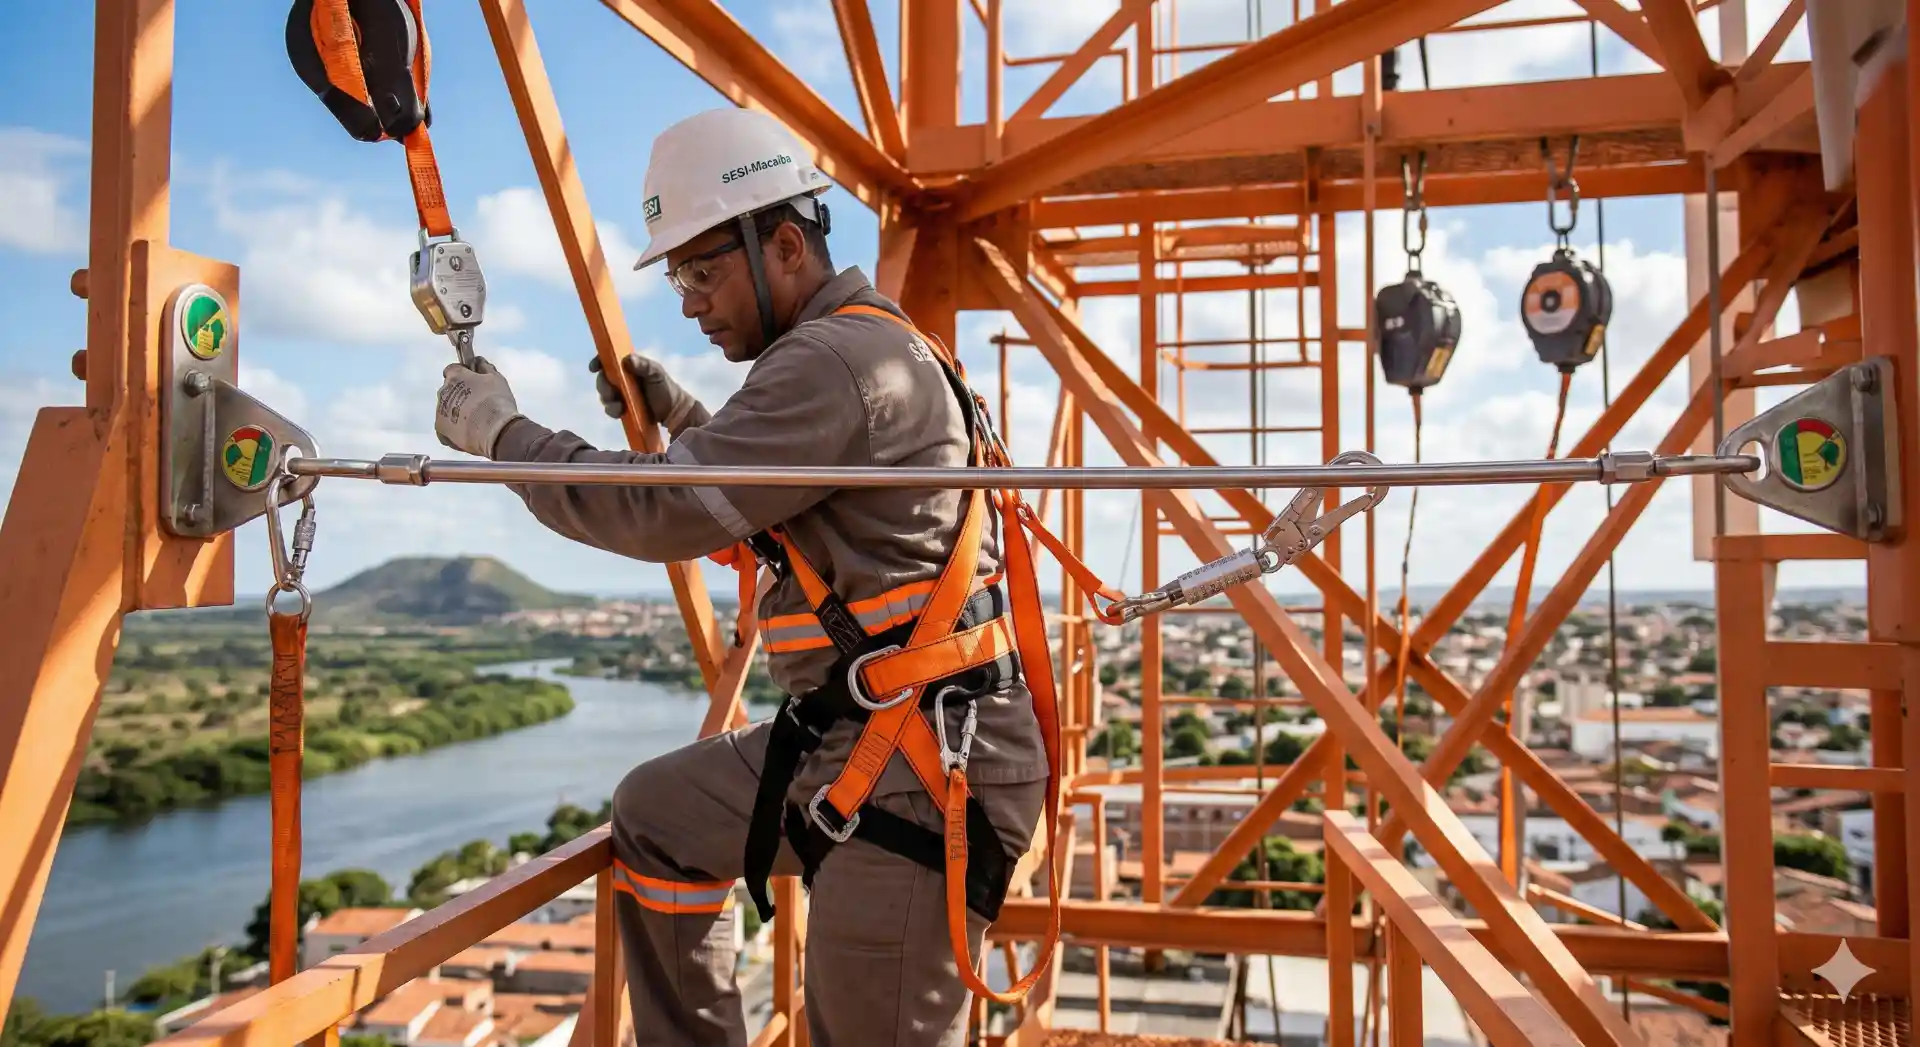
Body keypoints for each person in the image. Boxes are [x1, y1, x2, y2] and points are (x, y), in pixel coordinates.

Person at [431, 106, 1053, 1047]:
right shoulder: (868, 346)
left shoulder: (834, 359)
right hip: (874, 732)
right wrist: (682, 413)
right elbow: (791, 499)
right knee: (658, 815)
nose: (686, 299)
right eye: (677, 273)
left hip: (923, 763)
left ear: (788, 244)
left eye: (700, 268)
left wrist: (502, 438)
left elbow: (669, 509)